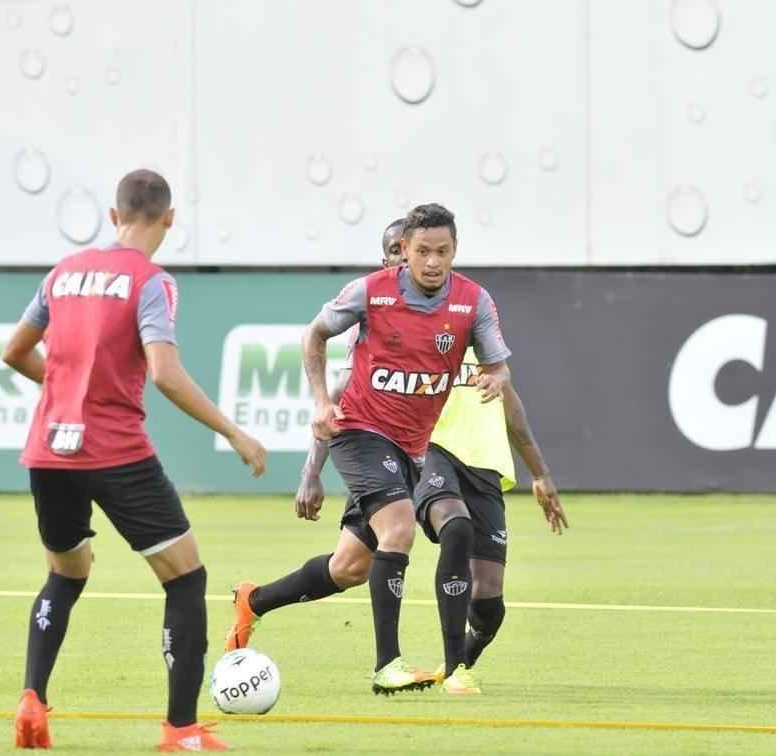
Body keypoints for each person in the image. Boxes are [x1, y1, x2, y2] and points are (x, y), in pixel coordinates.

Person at [226, 216, 566, 695]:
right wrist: (320, 412)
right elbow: (314, 336)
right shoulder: (371, 293)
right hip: (361, 431)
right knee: (401, 526)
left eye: (442, 251)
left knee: (349, 568)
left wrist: (496, 378)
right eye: (421, 251)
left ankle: (253, 601)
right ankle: (388, 665)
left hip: (409, 448)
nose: (432, 261)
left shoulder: (473, 301)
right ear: (404, 250)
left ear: (454, 250)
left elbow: (500, 369)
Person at [2, 169, 267, 752]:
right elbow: (165, 373)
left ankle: (32, 699)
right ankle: (180, 728)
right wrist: (234, 433)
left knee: (65, 573)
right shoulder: (151, 281)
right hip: (115, 449)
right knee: (186, 577)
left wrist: (66, 390)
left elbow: (13, 351)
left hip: (49, 449)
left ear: (112, 213)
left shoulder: (63, 273)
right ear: (169, 218)